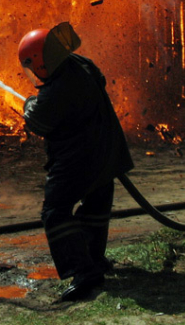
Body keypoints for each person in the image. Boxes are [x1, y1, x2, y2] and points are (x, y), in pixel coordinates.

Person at [18, 22, 134, 301]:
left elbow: (39, 122)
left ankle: (83, 271)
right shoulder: (79, 63)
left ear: (42, 62)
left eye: (33, 67)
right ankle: (95, 260)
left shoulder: (57, 89)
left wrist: (29, 105)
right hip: (107, 150)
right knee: (96, 205)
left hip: (80, 159)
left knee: (55, 211)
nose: (34, 73)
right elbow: (98, 82)